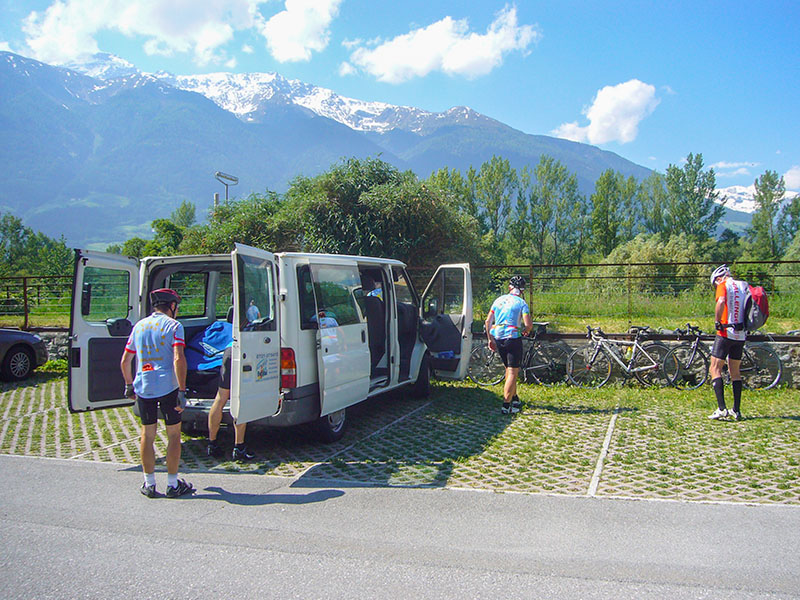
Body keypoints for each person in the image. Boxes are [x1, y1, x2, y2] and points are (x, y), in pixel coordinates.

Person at [121, 288, 195, 498]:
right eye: (176, 307)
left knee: (148, 434)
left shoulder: (139, 326)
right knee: (173, 435)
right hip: (168, 387)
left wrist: (128, 385)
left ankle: (149, 483)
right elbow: (178, 358)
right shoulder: (174, 326)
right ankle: (172, 484)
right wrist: (182, 389)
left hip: (144, 386)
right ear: (172, 306)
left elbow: (125, 361)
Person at [485, 275, 533, 414]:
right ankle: (506, 405)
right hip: (513, 338)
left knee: (509, 369)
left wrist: (490, 339)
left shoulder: (498, 300)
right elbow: (528, 324)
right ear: (522, 290)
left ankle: (515, 397)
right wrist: (526, 331)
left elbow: (488, 321)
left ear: (509, 287)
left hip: (498, 337)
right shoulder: (521, 303)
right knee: (513, 371)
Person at [708, 264, 748, 421]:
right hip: (741, 334)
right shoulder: (743, 285)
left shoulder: (723, 285)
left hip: (725, 332)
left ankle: (721, 409)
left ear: (718, 278)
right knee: (735, 372)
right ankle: (736, 410)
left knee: (715, 368)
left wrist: (717, 321)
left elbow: (721, 302)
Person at [207, 346, 255, 461]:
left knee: (220, 398)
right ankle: (239, 447)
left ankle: (212, 444)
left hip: (229, 351)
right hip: (247, 351)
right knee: (241, 398)